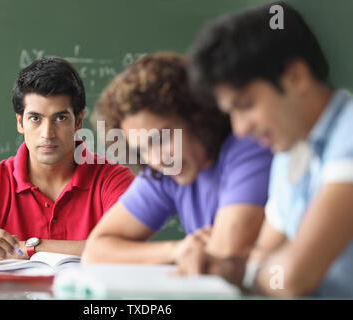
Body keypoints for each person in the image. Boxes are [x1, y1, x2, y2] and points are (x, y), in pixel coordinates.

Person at [188, 1, 353, 297]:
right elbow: (264, 251)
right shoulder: (288, 153)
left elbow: (293, 277)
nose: (240, 130)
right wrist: (224, 265)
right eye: (231, 114)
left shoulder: (349, 133)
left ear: (295, 77)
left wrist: (235, 270)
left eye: (246, 105)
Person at [0, 57, 134, 264]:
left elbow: (127, 249)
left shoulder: (113, 179)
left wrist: (29, 248)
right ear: (20, 123)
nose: (47, 133)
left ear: (78, 121)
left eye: (60, 118)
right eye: (35, 118)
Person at [81, 52, 273, 272]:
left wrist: (201, 253)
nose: (157, 159)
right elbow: (95, 252)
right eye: (142, 149)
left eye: (162, 138)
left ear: (198, 118)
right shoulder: (165, 171)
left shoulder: (249, 145)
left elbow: (225, 252)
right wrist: (176, 250)